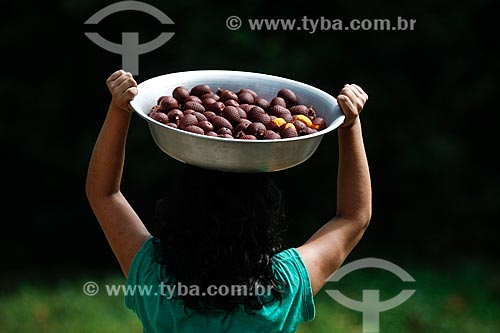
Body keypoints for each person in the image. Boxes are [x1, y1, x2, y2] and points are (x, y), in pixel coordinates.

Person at [86, 70, 371, 333]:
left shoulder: (154, 279)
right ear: (264, 219)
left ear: (179, 212)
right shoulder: (284, 287)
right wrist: (349, 126)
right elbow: (352, 218)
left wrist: (119, 110)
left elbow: (104, 194)